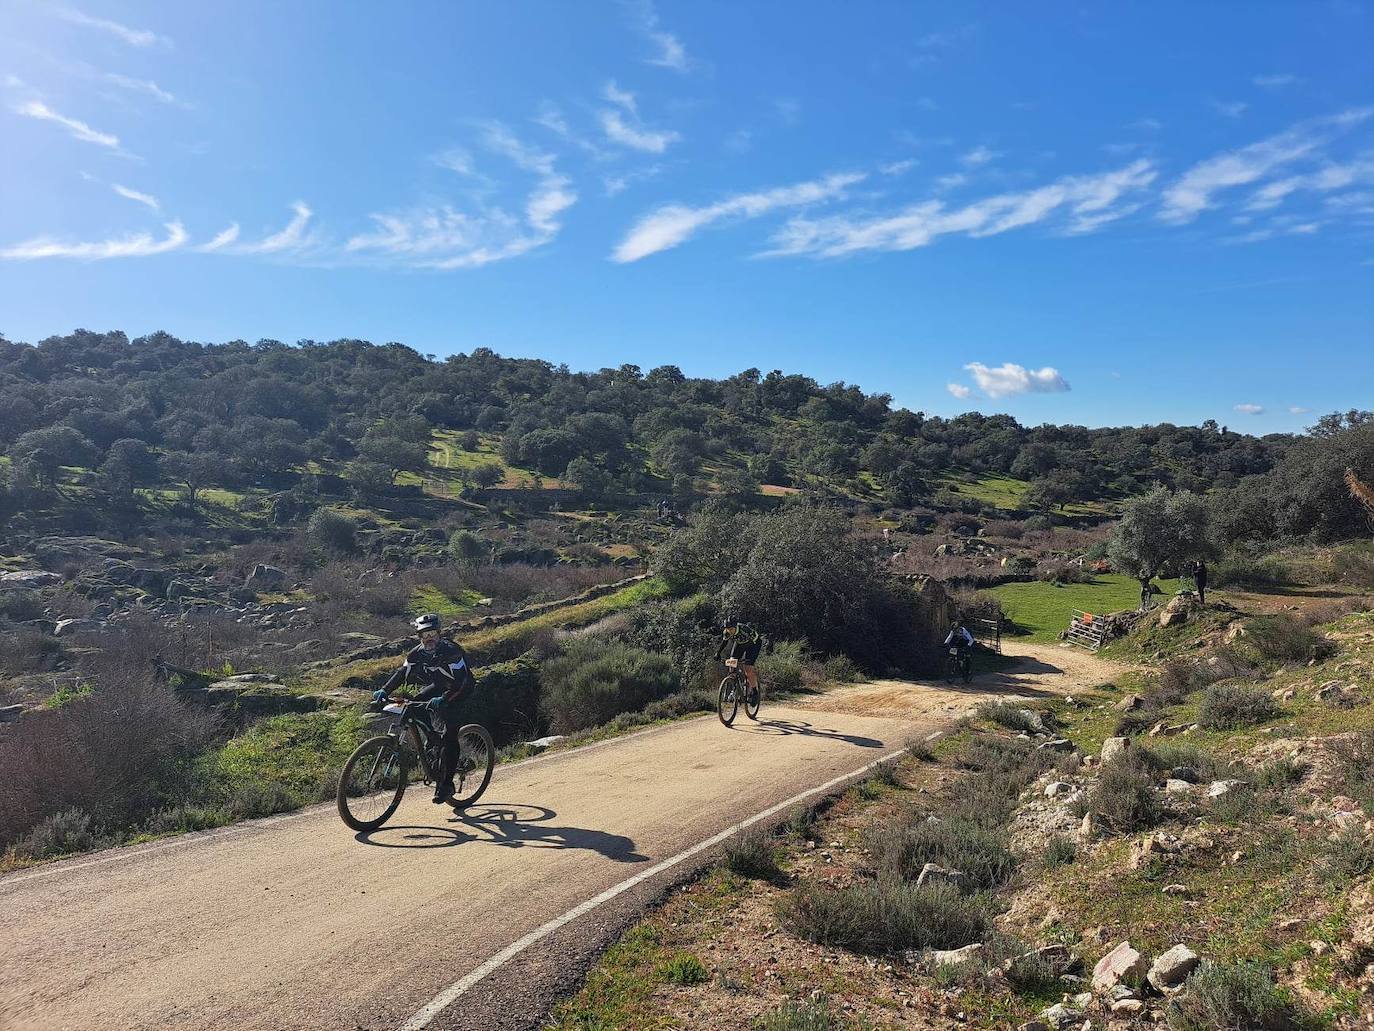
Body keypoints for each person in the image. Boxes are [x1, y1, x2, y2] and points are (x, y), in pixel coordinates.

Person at [374, 613, 476, 804]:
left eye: (432, 634)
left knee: (450, 735)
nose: (429, 638)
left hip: (460, 689)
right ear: (419, 637)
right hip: (439, 685)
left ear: (439, 634)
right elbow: (402, 672)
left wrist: (445, 698)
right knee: (416, 703)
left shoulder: (451, 651)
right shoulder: (416, 653)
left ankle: (446, 785)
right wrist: (384, 689)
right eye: (424, 635)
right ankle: (432, 738)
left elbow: (461, 680)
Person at [715, 617, 765, 696]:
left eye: (731, 629)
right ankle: (733, 687)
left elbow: (752, 643)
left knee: (748, 669)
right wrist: (718, 653)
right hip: (740, 643)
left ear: (735, 627)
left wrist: (747, 660)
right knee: (732, 664)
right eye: (727, 629)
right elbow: (724, 643)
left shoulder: (744, 630)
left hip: (753, 644)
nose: (729, 631)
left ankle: (755, 691)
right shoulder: (726, 632)